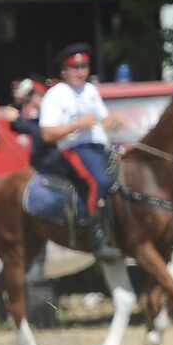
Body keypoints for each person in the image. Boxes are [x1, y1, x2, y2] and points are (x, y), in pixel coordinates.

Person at [39, 43, 119, 261]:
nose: (80, 71)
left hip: (98, 146)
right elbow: (46, 134)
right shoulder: (56, 94)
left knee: (123, 181)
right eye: (74, 67)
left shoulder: (91, 91)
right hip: (74, 148)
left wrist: (114, 121)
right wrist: (77, 124)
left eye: (84, 66)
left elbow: (103, 119)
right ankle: (97, 237)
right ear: (64, 71)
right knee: (99, 182)